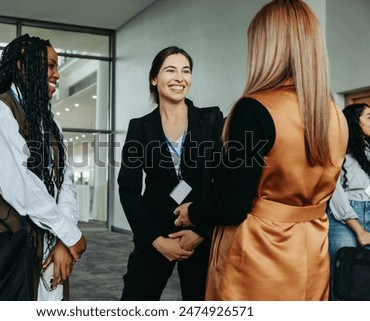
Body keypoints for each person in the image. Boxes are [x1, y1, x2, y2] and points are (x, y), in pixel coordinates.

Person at [175, 0, 348, 300]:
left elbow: (233, 204)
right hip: (311, 252)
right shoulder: (335, 115)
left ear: (266, 46)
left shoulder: (254, 109)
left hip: (259, 253)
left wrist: (192, 212)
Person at [0, 34, 86, 301]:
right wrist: (67, 232)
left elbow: (66, 184)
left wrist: (64, 239)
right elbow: (19, 184)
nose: (57, 75)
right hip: (0, 252)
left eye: (57, 67)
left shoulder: (50, 125)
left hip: (45, 247)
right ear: (23, 65)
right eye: (50, 65)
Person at [117, 46, 224, 300]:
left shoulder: (210, 119)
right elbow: (128, 188)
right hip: (154, 233)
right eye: (170, 70)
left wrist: (200, 233)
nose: (180, 77)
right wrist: (156, 240)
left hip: (201, 234)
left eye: (185, 71)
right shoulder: (140, 127)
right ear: (154, 78)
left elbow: (222, 182)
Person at [328, 103, 370, 300]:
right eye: (369, 117)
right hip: (345, 217)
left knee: (365, 281)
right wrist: (359, 230)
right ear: (354, 122)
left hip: (368, 209)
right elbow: (334, 191)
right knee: (344, 279)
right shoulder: (338, 148)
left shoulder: (368, 148)